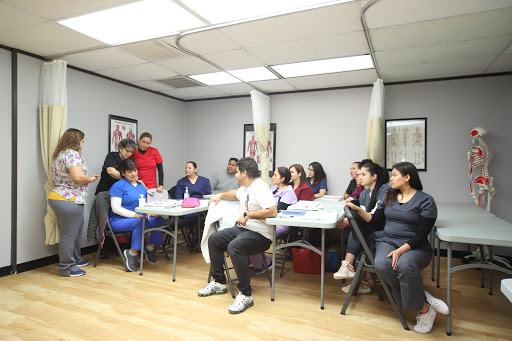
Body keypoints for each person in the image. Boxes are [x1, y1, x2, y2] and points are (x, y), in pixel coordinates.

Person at [346, 162, 448, 334]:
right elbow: (376, 221)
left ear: (407, 177)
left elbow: (422, 234)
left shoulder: (426, 201)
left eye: (394, 175)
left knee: (404, 265)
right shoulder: (390, 196)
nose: (391, 178)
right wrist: (357, 209)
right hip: (388, 241)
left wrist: (401, 251)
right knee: (381, 265)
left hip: (415, 246)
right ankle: (424, 301)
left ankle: (423, 311)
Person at [198, 158, 277, 314]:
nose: (235, 175)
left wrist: (248, 215)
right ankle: (219, 282)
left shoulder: (260, 187)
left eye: (237, 172)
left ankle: (246, 294)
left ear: (244, 173)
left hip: (261, 235)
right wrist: (219, 195)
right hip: (244, 230)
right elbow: (234, 194)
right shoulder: (245, 188)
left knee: (235, 246)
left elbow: (272, 210)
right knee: (214, 239)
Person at [47, 128, 99, 277]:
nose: (83, 144)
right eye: (82, 141)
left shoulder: (60, 154)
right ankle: (66, 267)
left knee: (75, 230)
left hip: (59, 197)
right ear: (78, 141)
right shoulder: (72, 154)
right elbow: (77, 177)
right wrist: (90, 179)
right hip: (69, 198)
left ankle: (75, 259)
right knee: (68, 234)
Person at [333, 162, 390, 295]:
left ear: (374, 176)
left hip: (383, 231)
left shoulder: (384, 190)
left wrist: (349, 220)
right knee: (357, 229)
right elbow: (365, 216)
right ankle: (361, 282)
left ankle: (347, 266)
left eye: (363, 174)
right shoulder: (364, 194)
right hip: (372, 229)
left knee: (357, 228)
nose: (360, 177)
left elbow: (376, 219)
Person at [109, 158, 166, 272]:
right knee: (141, 222)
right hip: (119, 220)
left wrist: (150, 212)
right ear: (123, 173)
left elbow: (146, 204)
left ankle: (150, 248)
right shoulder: (118, 185)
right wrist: (134, 215)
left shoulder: (141, 186)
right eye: (130, 171)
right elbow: (116, 209)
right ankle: (132, 253)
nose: (133, 174)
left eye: (135, 170)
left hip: (140, 217)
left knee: (159, 220)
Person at [250, 167, 297, 274]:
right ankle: (258, 261)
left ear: (283, 178)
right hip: (268, 220)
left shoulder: (288, 191)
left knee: (255, 234)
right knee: (249, 229)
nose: (273, 177)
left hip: (280, 223)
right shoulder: (274, 189)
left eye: (275, 175)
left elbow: (278, 210)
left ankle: (263, 263)